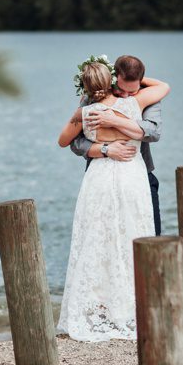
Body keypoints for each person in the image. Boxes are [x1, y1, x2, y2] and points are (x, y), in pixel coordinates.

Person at [54, 58, 170, 341]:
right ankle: (114, 308)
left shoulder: (88, 111)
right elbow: (76, 145)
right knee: (109, 237)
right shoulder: (136, 102)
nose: (130, 93)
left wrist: (109, 117)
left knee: (133, 238)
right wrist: (104, 147)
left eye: (135, 88)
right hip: (122, 175)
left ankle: (139, 304)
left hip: (113, 179)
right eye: (125, 87)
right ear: (113, 79)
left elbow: (62, 140)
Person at [69, 54, 163, 236]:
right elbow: (74, 141)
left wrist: (113, 120)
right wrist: (105, 150)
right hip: (100, 180)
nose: (127, 96)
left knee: (150, 237)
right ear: (114, 79)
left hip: (141, 178)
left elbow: (154, 133)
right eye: (121, 89)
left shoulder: (149, 97)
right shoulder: (94, 97)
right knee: (102, 239)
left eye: (132, 91)